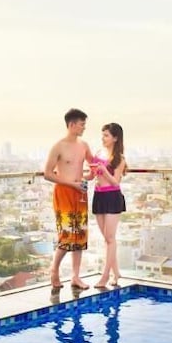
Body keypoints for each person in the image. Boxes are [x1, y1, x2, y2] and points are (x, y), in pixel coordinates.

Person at [43, 108, 95, 290]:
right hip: (64, 192)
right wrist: (71, 183)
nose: (84, 128)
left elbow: (93, 166)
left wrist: (90, 175)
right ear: (72, 125)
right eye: (82, 124)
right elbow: (48, 174)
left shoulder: (84, 145)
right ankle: (54, 270)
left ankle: (75, 277)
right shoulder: (58, 146)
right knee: (66, 236)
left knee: (79, 236)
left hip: (80, 193)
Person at [91, 122, 126, 289]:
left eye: (106, 135)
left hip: (112, 197)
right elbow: (92, 175)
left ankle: (106, 276)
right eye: (102, 135)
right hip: (98, 195)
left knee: (110, 238)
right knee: (106, 238)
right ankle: (116, 272)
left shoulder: (120, 159)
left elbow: (116, 182)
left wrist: (104, 171)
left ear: (115, 138)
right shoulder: (98, 153)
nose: (103, 138)